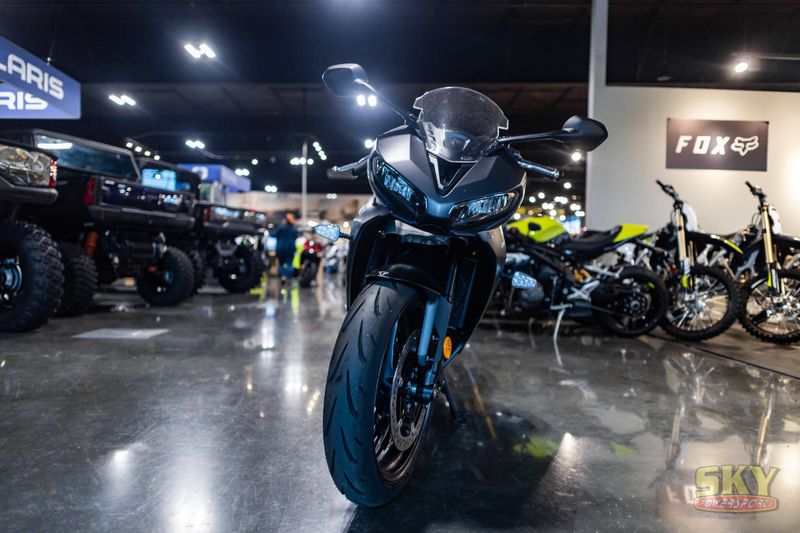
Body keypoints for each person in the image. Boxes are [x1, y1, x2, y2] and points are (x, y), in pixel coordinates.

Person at [274, 213, 299, 283]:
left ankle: (283, 276)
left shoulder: (281, 227)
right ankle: (288, 277)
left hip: (281, 248)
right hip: (290, 248)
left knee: (281, 263)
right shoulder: (294, 229)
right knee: (289, 263)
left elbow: (274, 234)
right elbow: (295, 237)